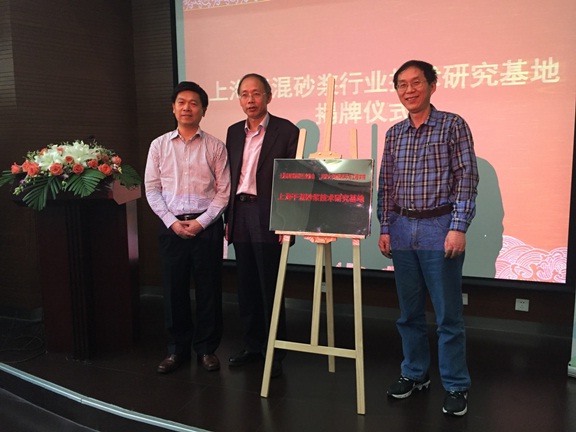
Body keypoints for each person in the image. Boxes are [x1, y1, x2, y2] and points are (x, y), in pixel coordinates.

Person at [377, 60, 479, 416]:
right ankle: (415, 373)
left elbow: (466, 178)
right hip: (402, 227)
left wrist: (458, 226)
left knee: (448, 315)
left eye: (416, 82)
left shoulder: (452, 124)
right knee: (409, 313)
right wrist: (386, 226)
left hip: (440, 226)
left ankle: (456, 385)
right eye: (402, 85)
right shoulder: (394, 133)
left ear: (432, 85)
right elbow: (386, 184)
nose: (409, 90)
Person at [145, 81, 230, 374]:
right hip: (171, 227)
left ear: (203, 110)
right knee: (173, 290)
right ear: (173, 108)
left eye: (194, 103)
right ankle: (176, 349)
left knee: (209, 290)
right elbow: (152, 189)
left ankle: (206, 349)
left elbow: (223, 192)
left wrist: (201, 222)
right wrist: (172, 221)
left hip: (207, 227)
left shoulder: (216, 146)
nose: (187, 108)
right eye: (181, 102)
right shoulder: (158, 146)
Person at [225, 73, 299, 378]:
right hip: (240, 212)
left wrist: (288, 222)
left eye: (256, 93)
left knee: (271, 285)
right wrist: (228, 218)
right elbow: (230, 177)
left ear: (268, 96)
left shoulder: (287, 130)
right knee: (246, 285)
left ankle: (275, 350)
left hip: (269, 215)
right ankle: (253, 345)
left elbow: (294, 179)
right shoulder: (233, 132)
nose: (250, 100)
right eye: (244, 94)